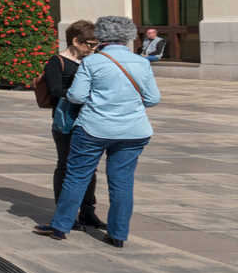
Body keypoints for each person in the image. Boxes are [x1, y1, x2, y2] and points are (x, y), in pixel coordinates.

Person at [36, 15, 160, 248]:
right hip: (133, 130)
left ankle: (61, 227)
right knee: (122, 182)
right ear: (128, 37)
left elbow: (76, 96)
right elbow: (153, 98)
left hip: (94, 128)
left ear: (101, 36)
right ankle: (118, 234)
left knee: (77, 176)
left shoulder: (92, 62)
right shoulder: (141, 62)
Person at [41, 20, 104, 230]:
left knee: (89, 168)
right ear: (76, 41)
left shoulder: (92, 61)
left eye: (97, 45)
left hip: (89, 121)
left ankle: (88, 211)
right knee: (66, 166)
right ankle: (65, 212)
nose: (94, 49)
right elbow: (55, 90)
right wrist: (80, 95)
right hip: (66, 123)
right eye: (91, 44)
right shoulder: (56, 62)